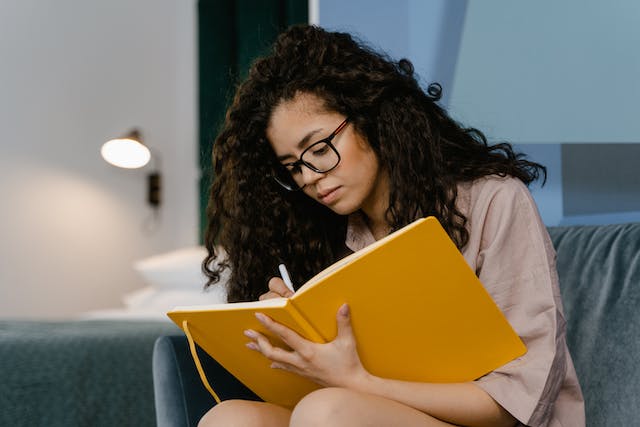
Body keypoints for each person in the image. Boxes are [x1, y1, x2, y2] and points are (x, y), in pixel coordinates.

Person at [199, 25, 585, 427]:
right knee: (229, 418)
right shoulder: (319, 234)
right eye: (292, 167)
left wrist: (355, 381)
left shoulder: (494, 201)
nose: (309, 176)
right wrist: (291, 339)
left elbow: (516, 402)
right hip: (368, 412)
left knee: (327, 412)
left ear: (371, 119)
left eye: (319, 149)